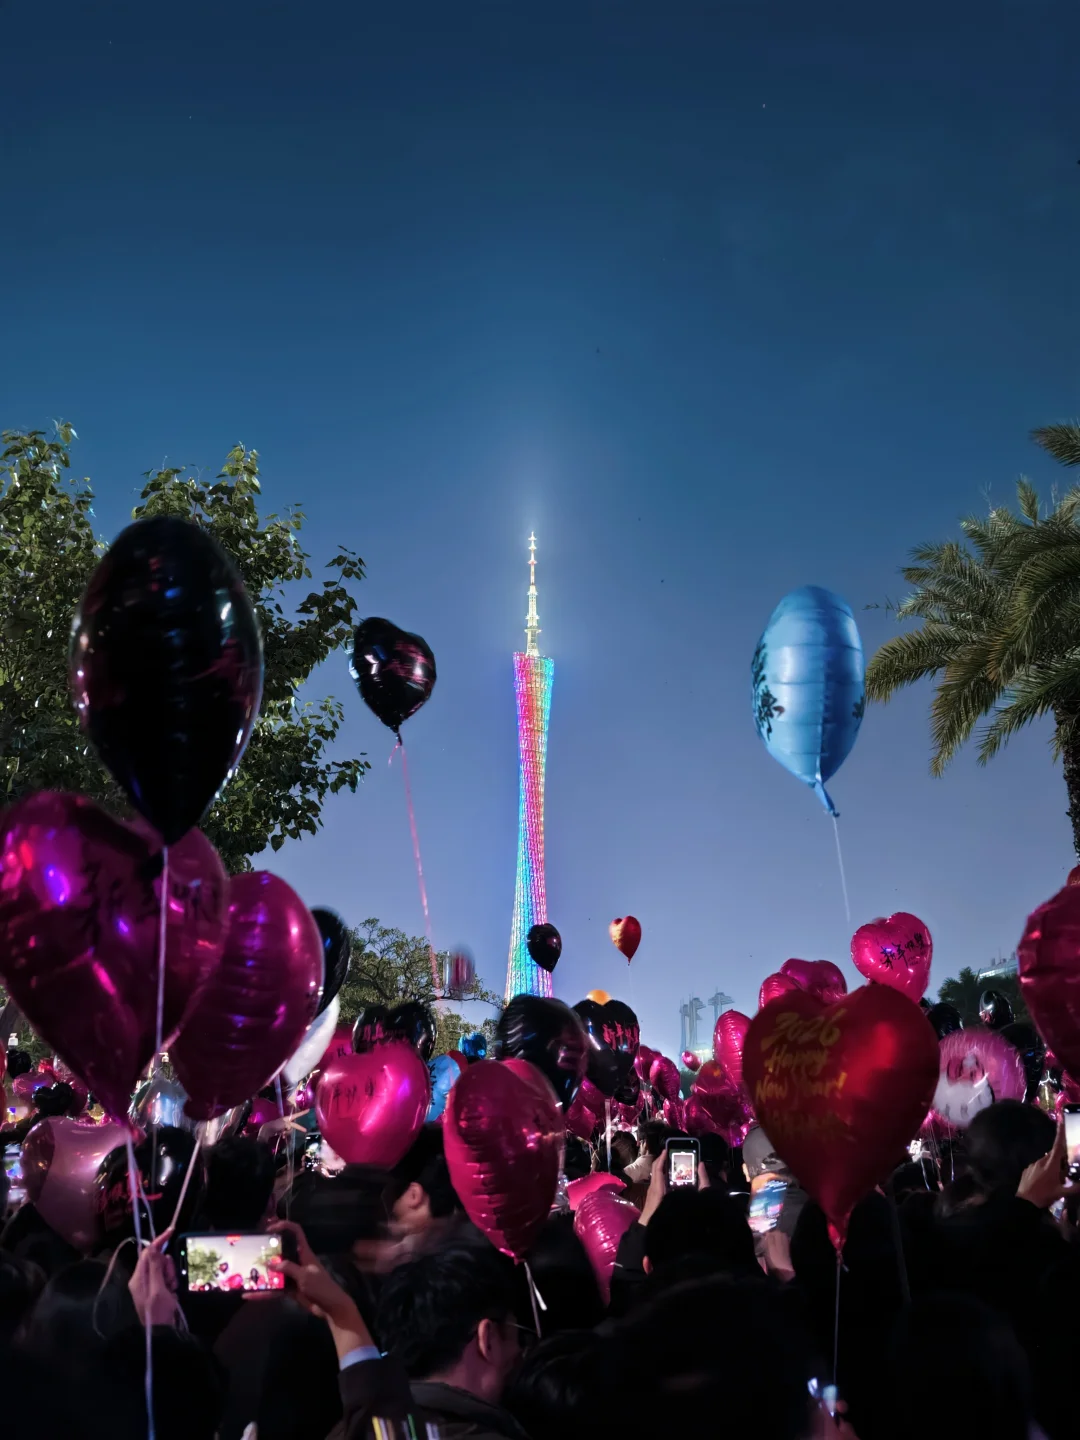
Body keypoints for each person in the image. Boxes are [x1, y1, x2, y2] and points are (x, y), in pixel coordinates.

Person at [268, 1221, 528, 1439]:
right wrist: (343, 1315)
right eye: (518, 1333)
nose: (520, 1351)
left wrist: (342, 1317)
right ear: (488, 1339)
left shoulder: (346, 1431)